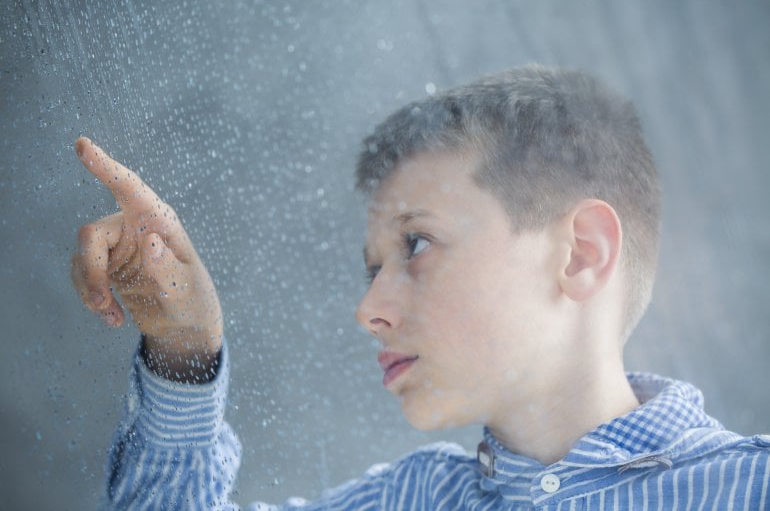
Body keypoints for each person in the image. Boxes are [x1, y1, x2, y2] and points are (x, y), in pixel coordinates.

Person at [71, 65, 769, 510]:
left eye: (418, 244)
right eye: (373, 268)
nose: (369, 309)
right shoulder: (407, 498)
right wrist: (184, 345)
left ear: (581, 253)